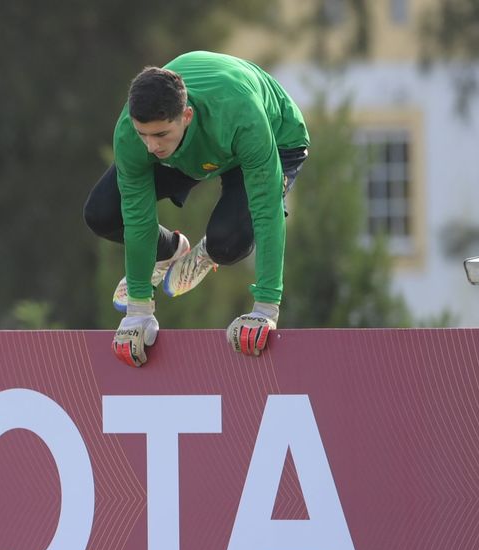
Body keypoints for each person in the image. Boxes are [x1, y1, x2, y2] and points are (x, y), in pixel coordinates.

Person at [83, 50, 310, 366]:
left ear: (185, 116)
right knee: (102, 214)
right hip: (195, 145)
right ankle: (168, 251)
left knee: (229, 242)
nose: (151, 146)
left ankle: (207, 253)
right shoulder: (134, 135)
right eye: (143, 134)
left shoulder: (242, 116)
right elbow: (137, 214)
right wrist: (138, 310)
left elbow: (266, 210)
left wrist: (266, 308)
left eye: (159, 133)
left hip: (271, 137)